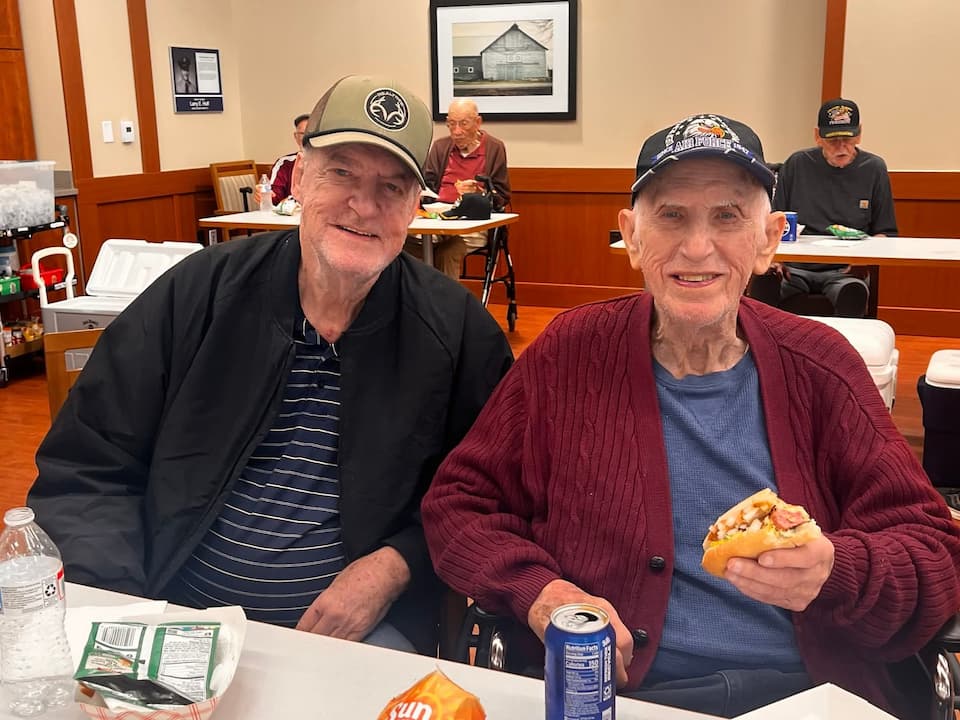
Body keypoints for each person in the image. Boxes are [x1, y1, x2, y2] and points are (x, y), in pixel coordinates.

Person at [422, 113, 960, 718]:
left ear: (769, 240)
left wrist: (836, 573)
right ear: (632, 236)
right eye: (671, 216)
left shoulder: (822, 365)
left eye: (727, 216)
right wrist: (542, 593)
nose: (697, 247)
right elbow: (459, 504)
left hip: (803, 695)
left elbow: (934, 555)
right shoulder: (568, 354)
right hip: (620, 698)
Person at [27, 74, 513, 656]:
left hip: (360, 639)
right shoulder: (199, 295)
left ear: (415, 205)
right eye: (342, 173)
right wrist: (123, 615)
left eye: (391, 186)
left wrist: (397, 563)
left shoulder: (458, 334)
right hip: (169, 612)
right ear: (300, 177)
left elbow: (487, 499)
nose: (364, 205)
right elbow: (88, 468)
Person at [764, 98, 898, 317]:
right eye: (833, 140)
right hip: (794, 269)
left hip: (844, 271)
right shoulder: (797, 164)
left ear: (859, 134)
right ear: (818, 136)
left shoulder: (874, 168)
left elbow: (886, 232)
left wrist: (863, 261)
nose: (841, 146)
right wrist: (775, 258)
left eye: (848, 139)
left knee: (853, 292)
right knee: (763, 282)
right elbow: (775, 220)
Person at [410, 99, 511, 279]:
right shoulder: (440, 147)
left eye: (463, 124)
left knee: (448, 250)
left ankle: (444, 297)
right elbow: (427, 187)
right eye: (451, 124)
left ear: (478, 122)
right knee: (402, 245)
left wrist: (478, 193)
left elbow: (501, 196)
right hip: (439, 219)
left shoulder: (494, 148)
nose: (456, 131)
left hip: (473, 223)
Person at [255, 113, 309, 207]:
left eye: (311, 134)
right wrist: (264, 195)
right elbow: (274, 198)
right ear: (296, 137)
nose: (306, 138)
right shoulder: (285, 163)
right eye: (302, 134)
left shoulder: (331, 162)